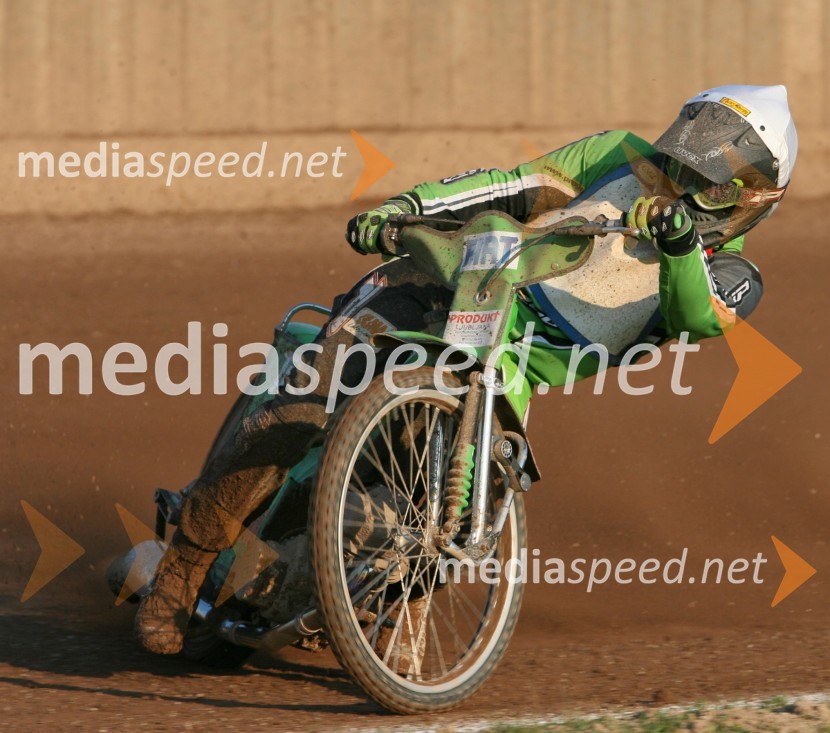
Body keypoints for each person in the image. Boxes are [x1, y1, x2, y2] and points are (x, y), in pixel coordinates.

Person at [135, 84, 797, 654]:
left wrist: (680, 242)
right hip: (444, 284)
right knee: (307, 401)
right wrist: (409, 207)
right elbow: (512, 184)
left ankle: (364, 606)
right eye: (684, 164)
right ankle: (183, 568)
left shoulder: (734, 274)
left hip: (510, 366)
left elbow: (693, 317)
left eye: (708, 179)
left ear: (754, 194)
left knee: (457, 523)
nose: (683, 183)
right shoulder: (619, 156)